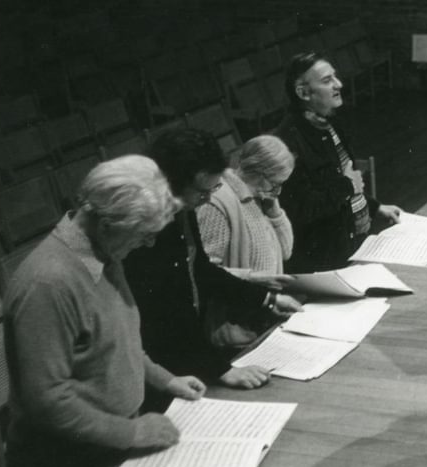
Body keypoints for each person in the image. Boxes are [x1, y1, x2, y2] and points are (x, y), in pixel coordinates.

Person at [3, 155, 206, 467]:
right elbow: (47, 400)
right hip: (63, 465)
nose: (147, 245)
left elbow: (116, 341)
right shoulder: (48, 283)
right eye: (144, 235)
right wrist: (134, 434)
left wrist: (166, 379)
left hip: (106, 445)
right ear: (108, 222)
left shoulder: (104, 253)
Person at [125, 127, 302, 396]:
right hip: (161, 363)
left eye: (214, 189)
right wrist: (219, 369)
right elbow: (165, 310)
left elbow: (202, 271)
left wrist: (267, 298)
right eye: (202, 192)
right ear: (171, 182)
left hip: (181, 357)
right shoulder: (146, 229)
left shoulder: (183, 208)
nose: (207, 199)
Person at [273, 52, 402, 273]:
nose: (338, 84)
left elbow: (342, 176)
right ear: (303, 92)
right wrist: (348, 186)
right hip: (325, 260)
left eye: (335, 77)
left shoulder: (328, 122)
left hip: (354, 244)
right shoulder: (288, 143)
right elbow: (304, 209)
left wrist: (373, 206)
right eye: (327, 81)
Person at [198, 134, 295, 274]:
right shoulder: (217, 203)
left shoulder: (261, 199)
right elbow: (210, 270)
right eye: (275, 183)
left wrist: (275, 214)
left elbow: (286, 253)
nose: (277, 191)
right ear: (257, 172)